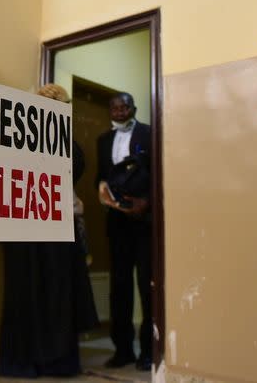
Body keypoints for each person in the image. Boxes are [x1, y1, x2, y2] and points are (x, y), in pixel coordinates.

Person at [0, 83, 99, 378]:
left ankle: (41, 360)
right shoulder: (26, 136)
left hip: (43, 226)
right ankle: (45, 360)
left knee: (42, 292)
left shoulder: (52, 137)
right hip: (32, 225)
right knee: (40, 292)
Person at [96, 92, 152, 371]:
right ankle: (123, 350)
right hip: (116, 223)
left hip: (144, 221)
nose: (118, 111)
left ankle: (148, 353)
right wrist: (103, 194)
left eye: (124, 107)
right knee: (119, 288)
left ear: (133, 108)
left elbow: (158, 174)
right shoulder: (102, 140)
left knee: (146, 285)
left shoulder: (149, 133)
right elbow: (101, 178)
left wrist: (147, 202)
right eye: (114, 107)